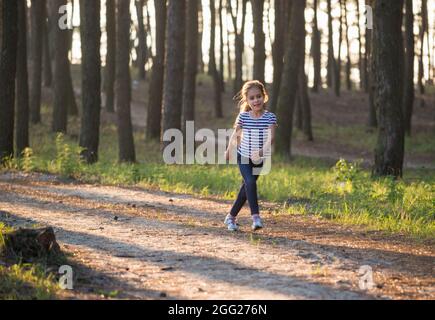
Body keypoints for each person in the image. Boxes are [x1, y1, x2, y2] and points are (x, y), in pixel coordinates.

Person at [224, 80, 277, 232]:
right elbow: (235, 135)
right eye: (252, 98)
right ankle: (256, 218)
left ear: (264, 97)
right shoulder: (244, 117)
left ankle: (231, 217)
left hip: (260, 159)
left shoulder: (270, 117)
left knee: (246, 189)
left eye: (258, 96)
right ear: (247, 101)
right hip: (244, 157)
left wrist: (261, 152)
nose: (256, 100)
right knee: (250, 182)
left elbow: (271, 138)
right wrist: (229, 150)